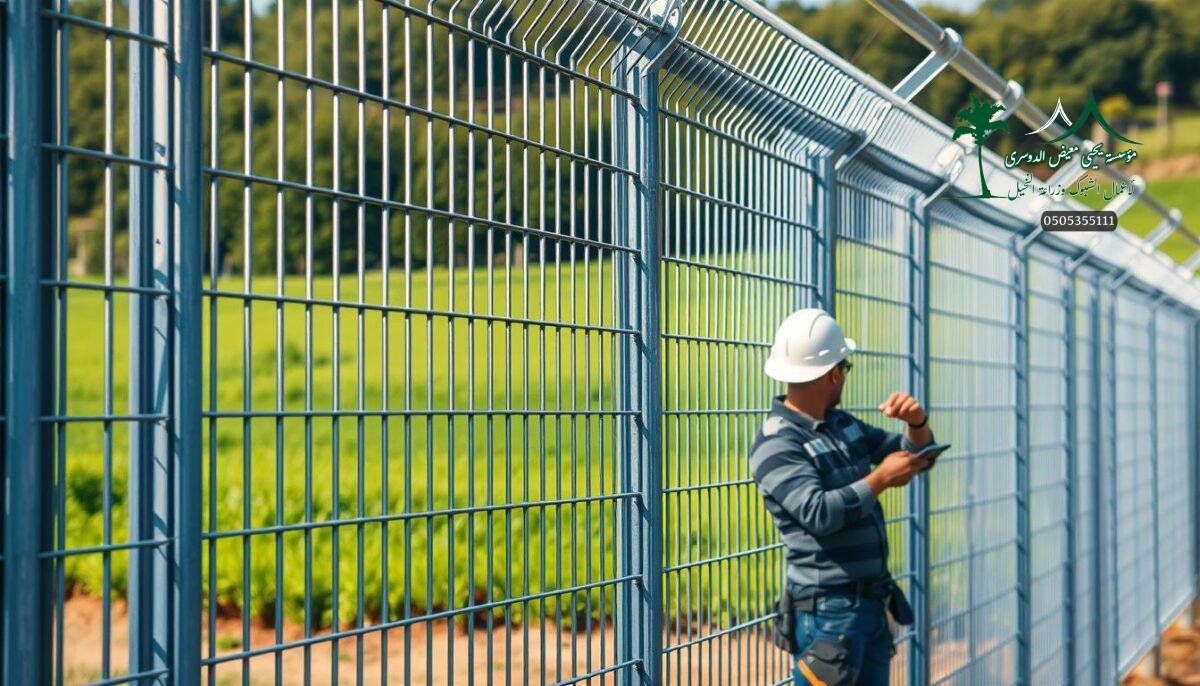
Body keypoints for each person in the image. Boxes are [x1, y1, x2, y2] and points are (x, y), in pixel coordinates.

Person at [749, 308, 935, 685]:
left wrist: (916, 424)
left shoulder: (842, 424)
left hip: (867, 605)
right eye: (845, 368)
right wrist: (880, 479)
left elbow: (915, 457)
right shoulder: (776, 443)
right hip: (828, 614)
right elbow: (818, 512)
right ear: (834, 373)